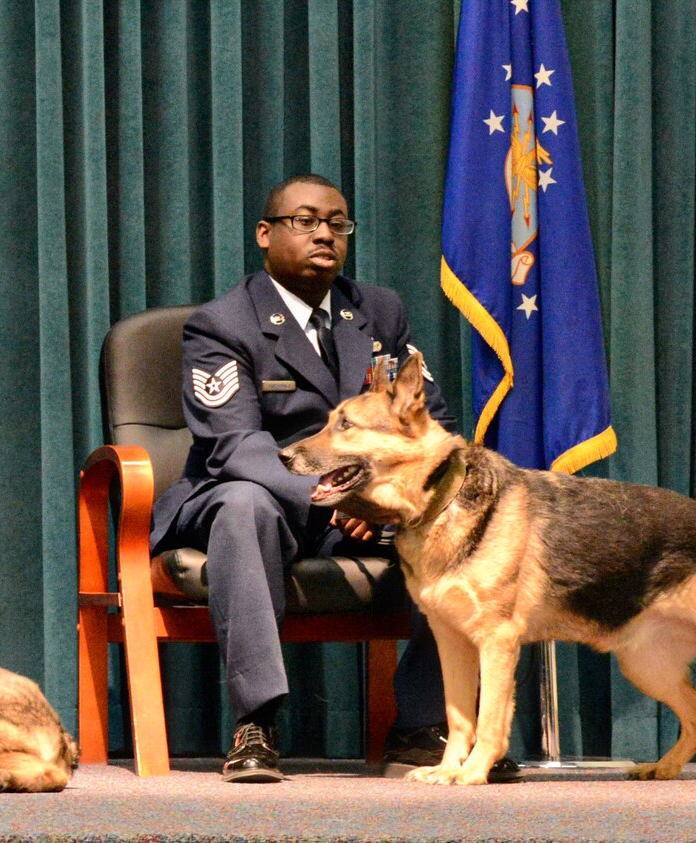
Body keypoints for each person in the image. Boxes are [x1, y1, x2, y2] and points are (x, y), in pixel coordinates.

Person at [151, 173, 520, 783]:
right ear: (265, 234)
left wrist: (383, 497)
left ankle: (426, 726)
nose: (324, 233)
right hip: (265, 498)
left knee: (465, 515)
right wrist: (343, 498)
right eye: (305, 221)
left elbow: (428, 423)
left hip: (364, 500)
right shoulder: (222, 324)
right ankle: (255, 722)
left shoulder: (378, 311)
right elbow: (236, 446)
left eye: (337, 223)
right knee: (243, 505)